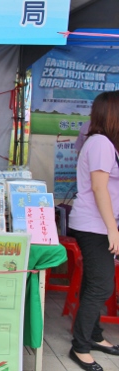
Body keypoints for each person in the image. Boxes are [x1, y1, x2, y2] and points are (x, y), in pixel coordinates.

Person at [68, 91, 119, 371]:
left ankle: (95, 336)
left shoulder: (106, 143)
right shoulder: (100, 143)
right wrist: (113, 230)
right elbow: (99, 188)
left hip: (101, 225)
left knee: (94, 282)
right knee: (102, 285)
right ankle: (80, 347)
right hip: (94, 226)